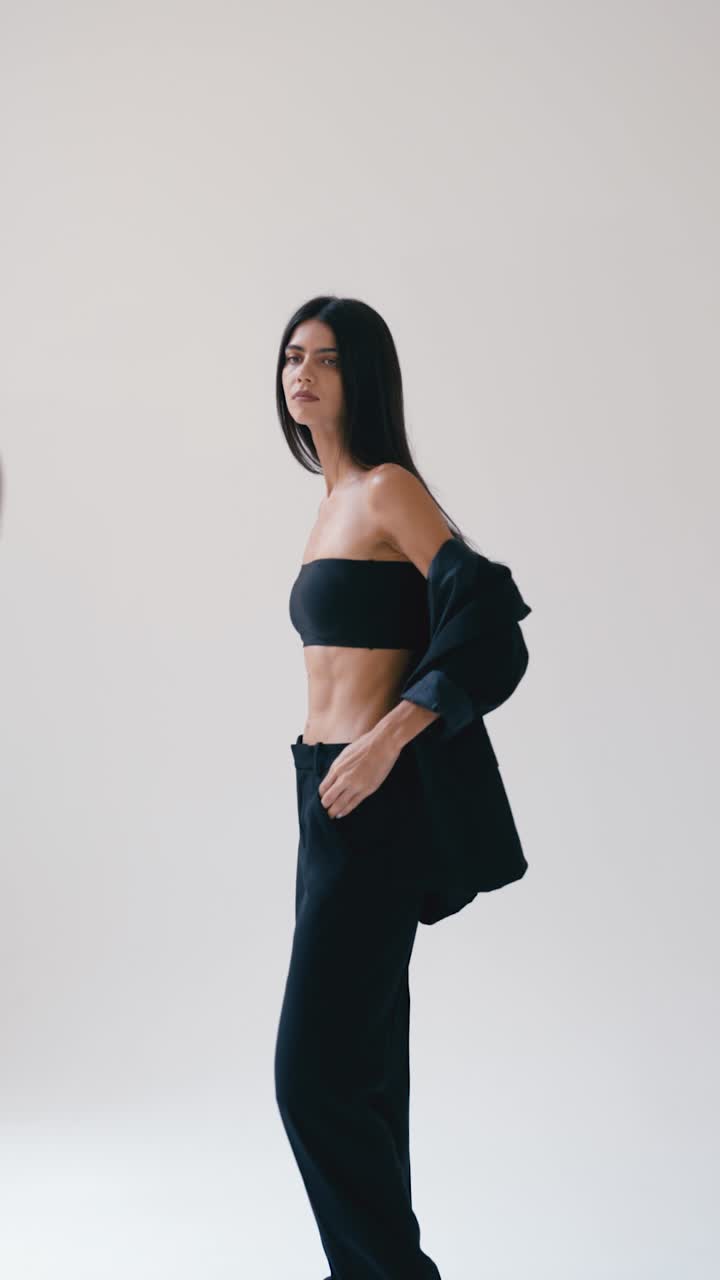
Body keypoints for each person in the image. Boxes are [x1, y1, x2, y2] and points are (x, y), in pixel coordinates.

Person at [273, 295, 529, 1280]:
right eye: (292, 356)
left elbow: (489, 617)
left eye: (327, 359)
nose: (302, 373)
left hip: (372, 799)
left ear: (365, 377)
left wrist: (389, 737)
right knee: (364, 1070)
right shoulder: (329, 504)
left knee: (311, 1077)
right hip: (321, 796)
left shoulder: (387, 491)